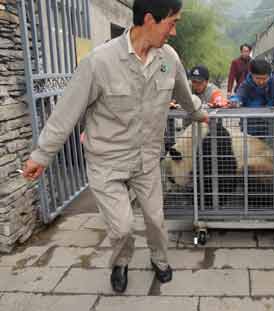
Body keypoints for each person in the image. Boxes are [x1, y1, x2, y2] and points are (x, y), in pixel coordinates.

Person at [22, 0, 208, 293]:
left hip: (147, 158)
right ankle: (120, 262)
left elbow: (185, 95)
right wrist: (41, 155)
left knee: (156, 220)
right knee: (121, 226)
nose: (173, 32)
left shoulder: (168, 58)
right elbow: (66, 112)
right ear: (150, 19)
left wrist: (199, 113)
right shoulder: (99, 62)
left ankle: (159, 260)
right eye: (172, 22)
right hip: (106, 160)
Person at [230, 58, 274, 136]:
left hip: (270, 127)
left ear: (269, 75)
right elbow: (239, 96)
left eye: (264, 78)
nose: (261, 82)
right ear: (251, 74)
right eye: (258, 78)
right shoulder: (246, 85)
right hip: (250, 127)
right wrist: (235, 101)